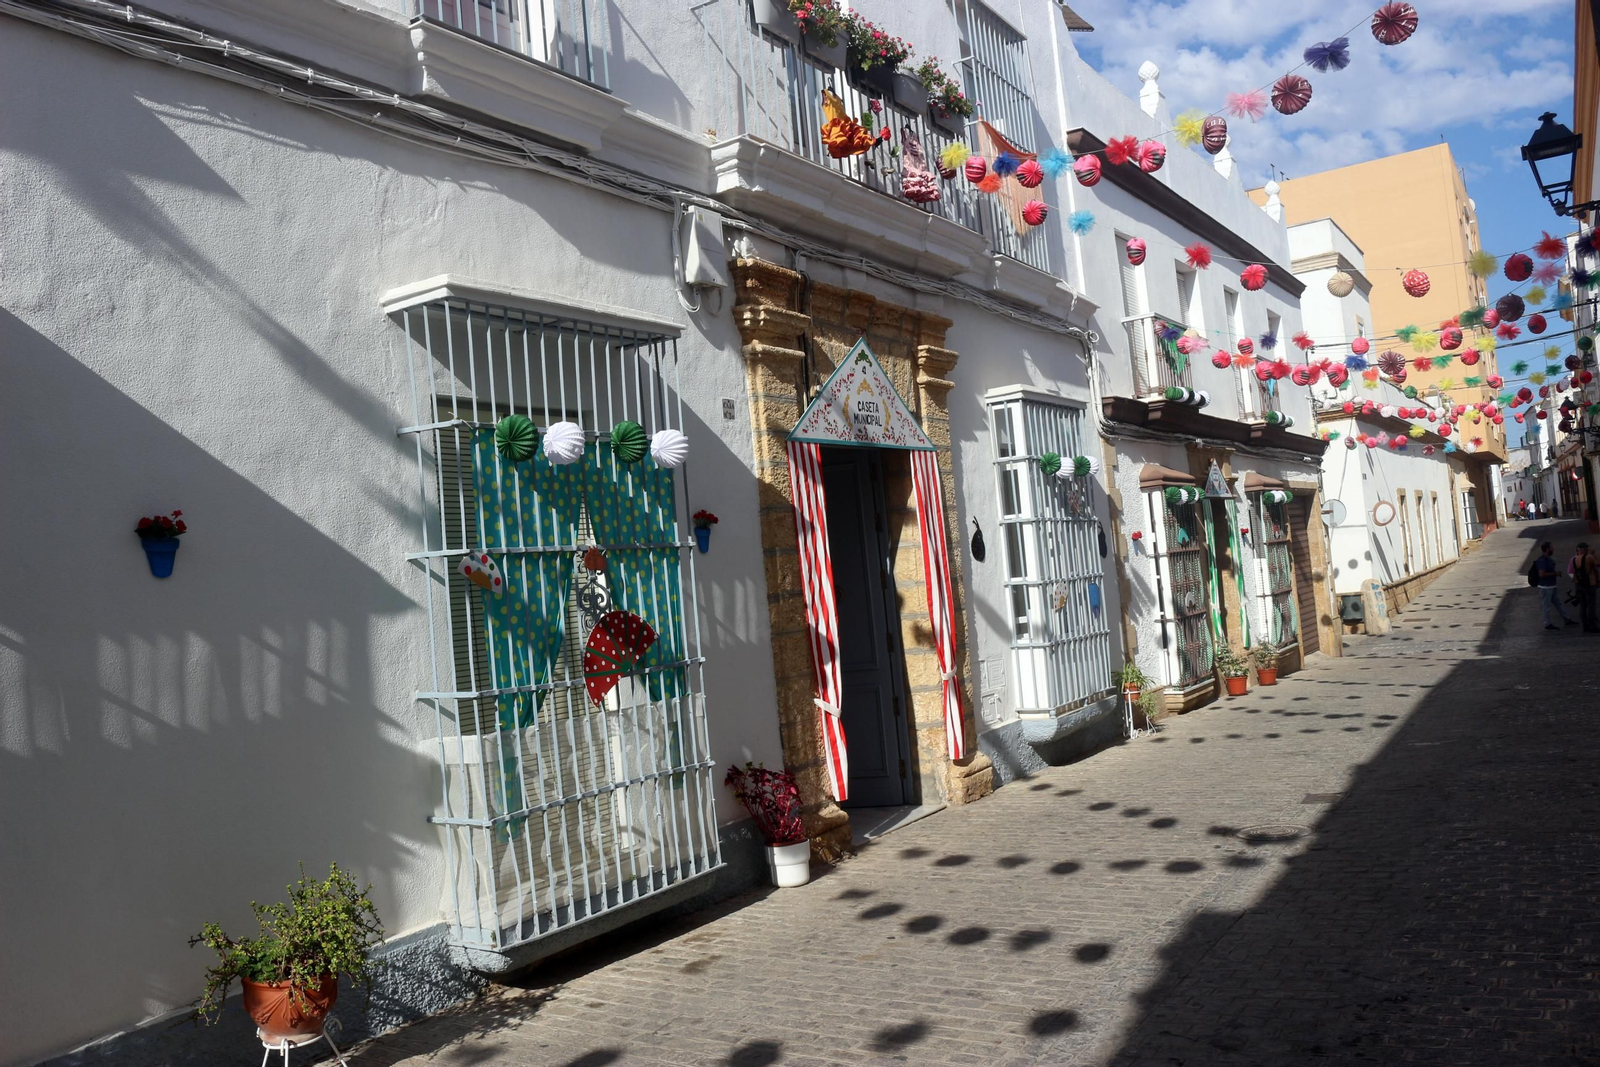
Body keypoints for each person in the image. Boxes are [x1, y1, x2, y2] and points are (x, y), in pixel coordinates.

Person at [1532, 542, 1575, 630]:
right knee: (1546, 606)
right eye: (1552, 547)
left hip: (1551, 586)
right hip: (1546, 587)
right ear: (1547, 549)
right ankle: (1547, 623)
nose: (1553, 549)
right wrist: (1555, 573)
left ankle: (1567, 619)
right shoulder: (1542, 560)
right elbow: (1542, 574)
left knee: (1558, 603)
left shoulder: (1548, 559)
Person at [1571, 542, 1599, 633]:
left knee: (1583, 606)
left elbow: (1574, 573)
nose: (1588, 549)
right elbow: (1598, 564)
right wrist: (1593, 554)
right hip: (1590, 584)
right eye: (1587, 548)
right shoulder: (1589, 557)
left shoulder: (1574, 559)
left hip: (1580, 585)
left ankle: (1585, 625)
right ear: (1584, 549)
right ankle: (1592, 625)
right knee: (1591, 605)